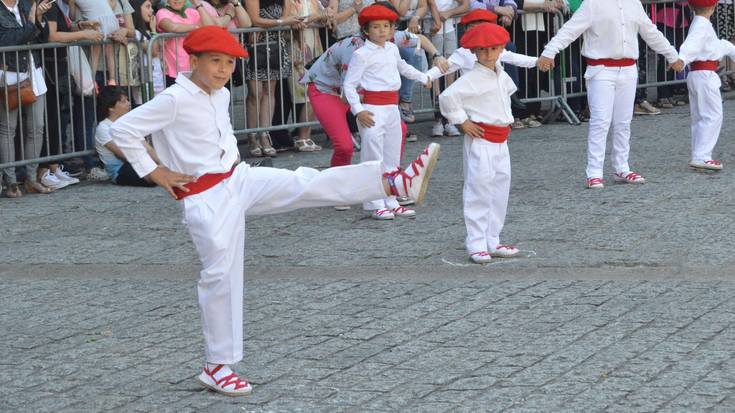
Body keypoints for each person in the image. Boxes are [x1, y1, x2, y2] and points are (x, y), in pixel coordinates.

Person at [109, 26, 440, 396]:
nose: (222, 70)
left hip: (239, 178)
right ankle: (216, 366)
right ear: (195, 60)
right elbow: (120, 131)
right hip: (206, 197)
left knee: (303, 181)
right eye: (215, 62)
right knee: (220, 276)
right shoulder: (173, 98)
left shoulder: (217, 95)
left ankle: (391, 183)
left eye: (230, 63)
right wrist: (156, 172)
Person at [537, 0, 685, 189]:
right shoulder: (592, 3)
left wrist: (672, 55)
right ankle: (594, 172)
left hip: (629, 68)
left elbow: (651, 32)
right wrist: (549, 51)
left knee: (624, 121)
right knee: (600, 121)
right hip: (601, 69)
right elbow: (570, 30)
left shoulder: (634, 3)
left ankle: (621, 167)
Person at [439, 23, 520, 264]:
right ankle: (476, 242)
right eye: (482, 50)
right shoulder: (472, 78)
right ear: (474, 52)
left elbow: (505, 94)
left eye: (493, 49)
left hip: (500, 141)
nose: (488, 54)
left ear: (501, 49)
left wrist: (506, 119)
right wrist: (461, 121)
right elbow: (447, 97)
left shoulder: (501, 74)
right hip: (481, 140)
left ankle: (492, 239)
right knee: (479, 190)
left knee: (499, 191)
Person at [343, 4, 432, 220]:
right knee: (373, 157)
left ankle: (391, 198)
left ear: (392, 29)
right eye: (376, 27)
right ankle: (374, 202)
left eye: (386, 26)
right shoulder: (361, 54)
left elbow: (403, 67)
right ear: (366, 30)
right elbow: (348, 86)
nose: (382, 31)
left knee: (391, 156)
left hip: (392, 108)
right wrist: (358, 111)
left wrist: (423, 76)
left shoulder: (392, 49)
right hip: (372, 110)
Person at [37, 0, 101, 190]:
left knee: (58, 118)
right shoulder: (45, 4)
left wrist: (80, 26)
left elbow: (62, 27)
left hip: (59, 67)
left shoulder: (55, 6)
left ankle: (54, 167)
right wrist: (83, 33)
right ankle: (45, 169)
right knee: (51, 119)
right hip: (50, 68)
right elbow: (52, 35)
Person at [0, 0, 53, 197]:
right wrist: (32, 23)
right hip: (10, 76)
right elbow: (6, 40)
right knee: (8, 129)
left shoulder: (25, 5)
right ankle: (11, 182)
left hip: (34, 72)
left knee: (37, 127)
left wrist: (39, 18)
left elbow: (44, 39)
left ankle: (31, 179)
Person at [679, 0, 735, 170]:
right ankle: (702, 156)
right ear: (713, 7)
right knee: (712, 115)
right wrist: (681, 58)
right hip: (705, 75)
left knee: (699, 117)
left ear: (690, 6)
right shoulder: (702, 25)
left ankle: (699, 154)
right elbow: (691, 45)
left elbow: (717, 46)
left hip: (698, 74)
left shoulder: (700, 23)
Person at [95, 86, 160, 185]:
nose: (129, 103)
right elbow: (125, 155)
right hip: (120, 170)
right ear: (111, 107)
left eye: (127, 100)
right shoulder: (103, 127)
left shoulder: (129, 123)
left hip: (137, 161)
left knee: (167, 167)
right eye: (124, 101)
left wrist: (162, 163)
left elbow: (147, 148)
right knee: (155, 176)